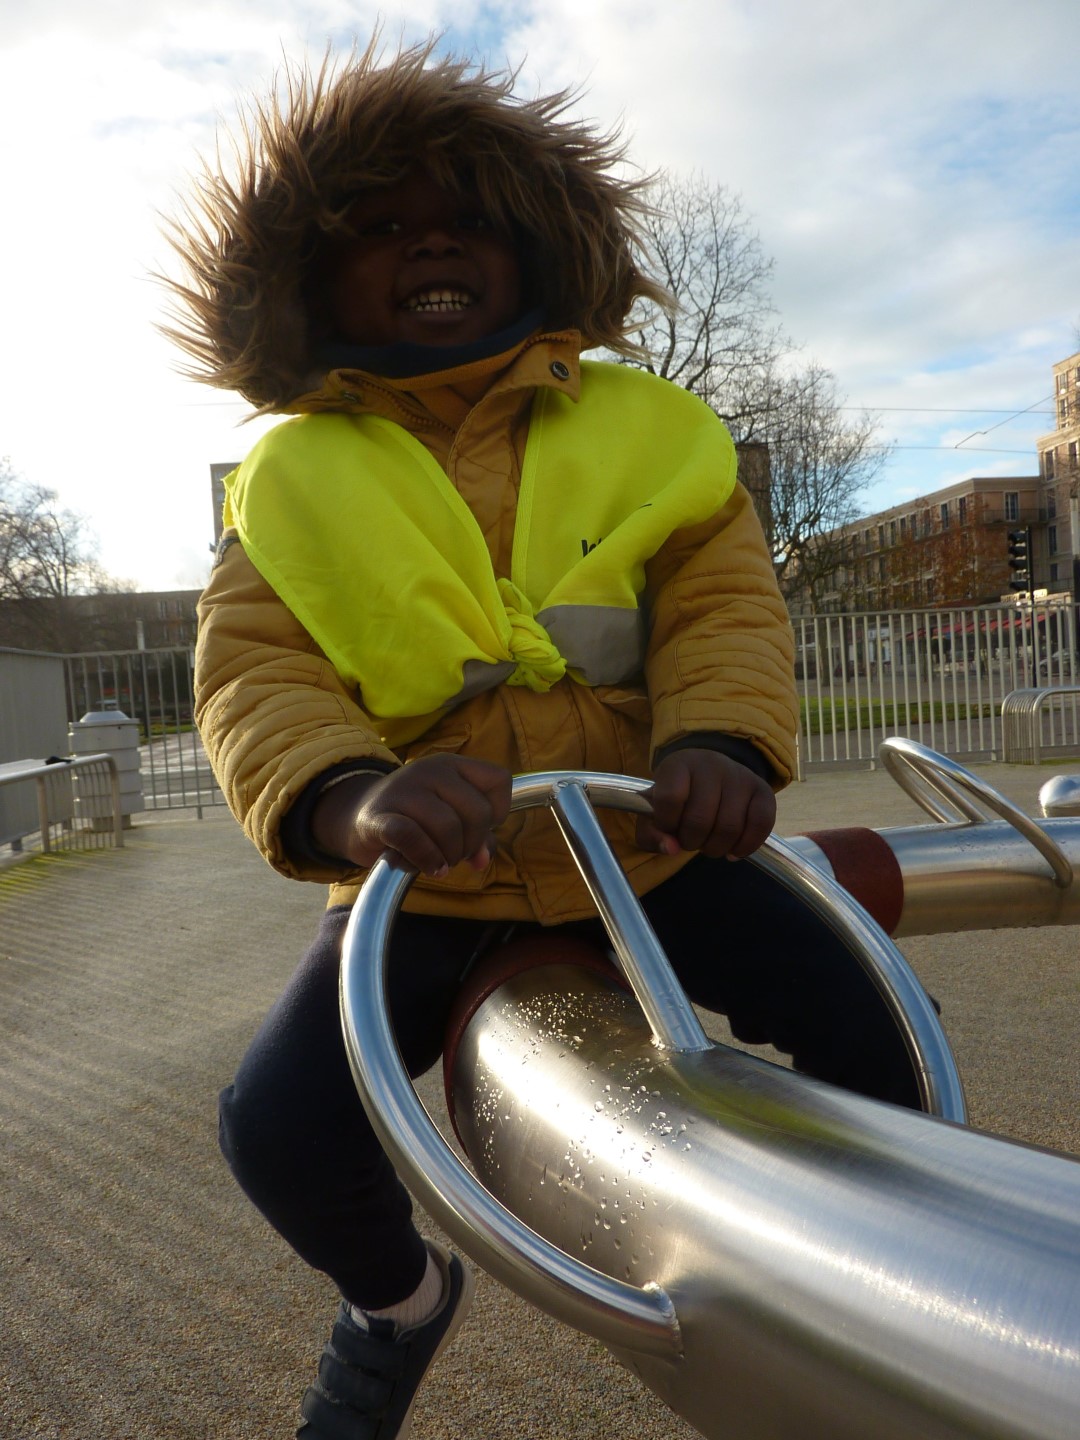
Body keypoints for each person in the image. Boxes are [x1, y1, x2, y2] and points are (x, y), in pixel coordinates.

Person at [165, 36, 921, 1440]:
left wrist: (723, 749)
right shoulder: (292, 480)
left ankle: (875, 1289)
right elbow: (256, 672)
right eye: (381, 228)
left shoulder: (651, 431)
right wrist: (349, 800)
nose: (429, 244)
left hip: (648, 842)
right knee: (273, 1127)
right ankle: (396, 1299)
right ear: (314, 279)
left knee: (870, 1021)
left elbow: (724, 604)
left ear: (534, 252)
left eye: (466, 221)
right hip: (427, 874)